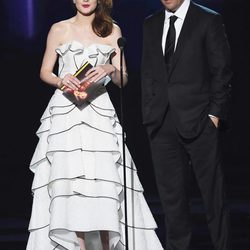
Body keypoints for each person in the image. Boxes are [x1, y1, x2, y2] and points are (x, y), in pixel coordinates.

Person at [27, 0, 164, 249]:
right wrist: (61, 80)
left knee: (103, 180)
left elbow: (123, 80)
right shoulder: (59, 29)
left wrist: (110, 67)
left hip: (98, 113)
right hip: (66, 114)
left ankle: (104, 244)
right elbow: (45, 71)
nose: (85, 0)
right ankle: (78, 245)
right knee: (70, 181)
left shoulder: (113, 30)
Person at [141, 0, 232, 249]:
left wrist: (214, 114)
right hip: (161, 123)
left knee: (213, 197)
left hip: (201, 119)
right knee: (172, 201)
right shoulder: (151, 24)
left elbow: (221, 70)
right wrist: (150, 116)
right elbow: (148, 73)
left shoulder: (208, 19)